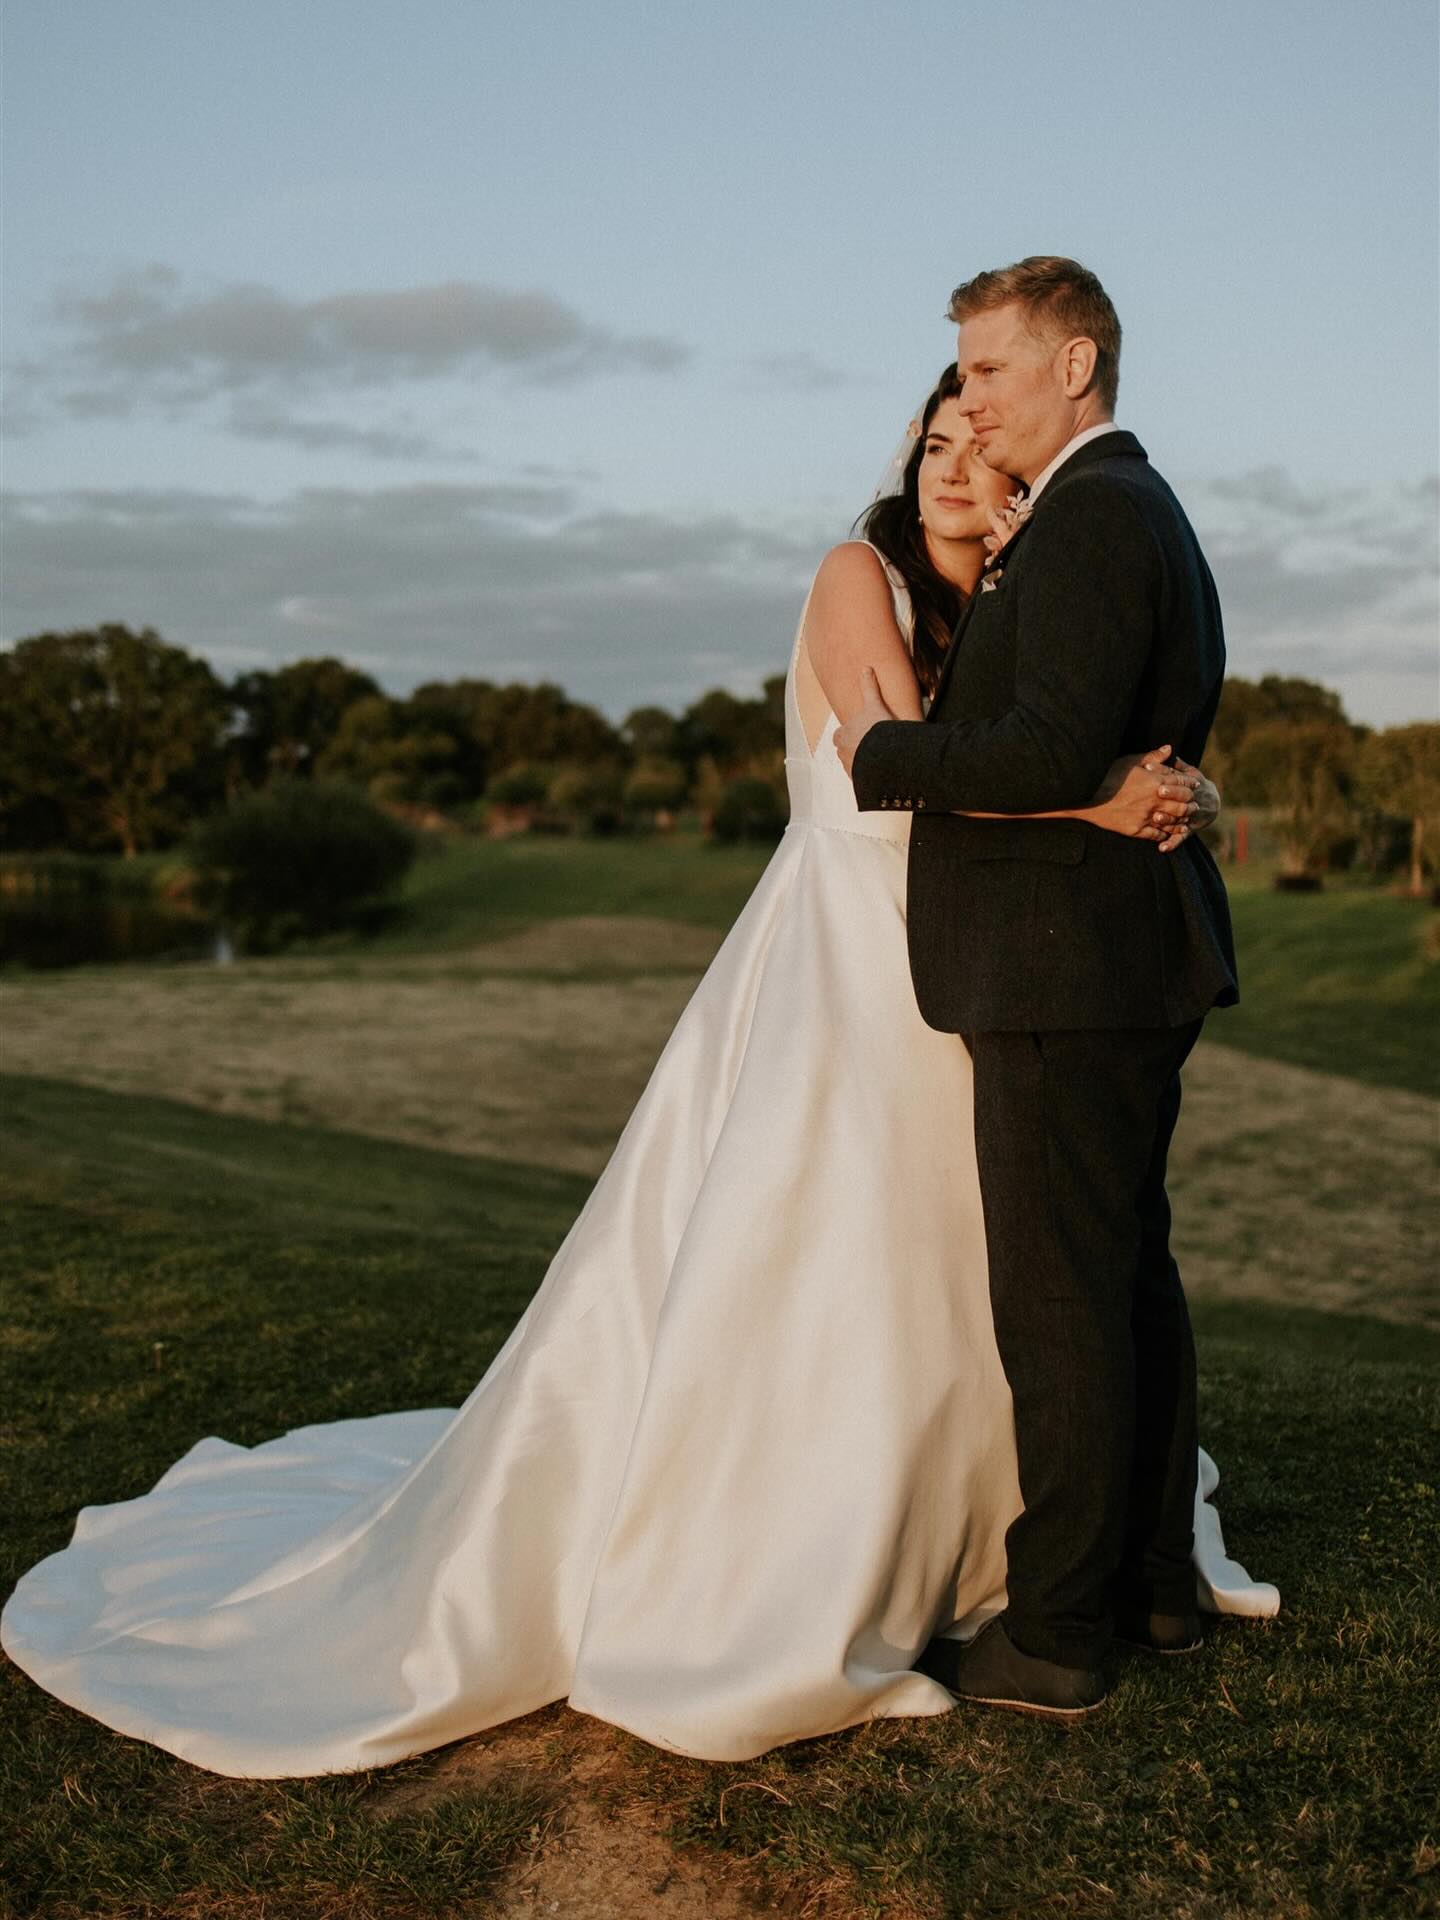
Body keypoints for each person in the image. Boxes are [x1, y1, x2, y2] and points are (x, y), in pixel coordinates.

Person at [1, 360, 1274, 1779]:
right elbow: (887, 763)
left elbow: (1056, 745)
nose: (955, 468)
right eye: (935, 444)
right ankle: (807, 1552)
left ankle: (999, 1537)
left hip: (974, 971)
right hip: (852, 964)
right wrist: (1099, 789)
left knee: (998, 1267)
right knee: (838, 1266)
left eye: (980, 444)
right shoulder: (862, 576)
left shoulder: (1022, 599)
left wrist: (1161, 786)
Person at [838, 256, 1251, 1720]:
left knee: (1063, 1305)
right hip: (1108, 959)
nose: (972, 397)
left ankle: (1059, 1630)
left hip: (1063, 966)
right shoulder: (1114, 513)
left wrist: (876, 758)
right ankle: (1150, 1586)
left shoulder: (1093, 518)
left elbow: (1038, 748)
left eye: (992, 371)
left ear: (1075, 366)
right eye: (962, 375)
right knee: (1127, 1279)